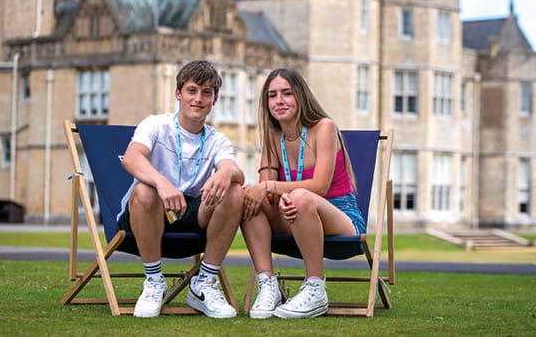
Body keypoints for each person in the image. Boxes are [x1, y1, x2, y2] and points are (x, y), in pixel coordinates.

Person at [118, 60, 244, 318]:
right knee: (145, 190)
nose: (198, 99)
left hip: (192, 215)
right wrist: (162, 183)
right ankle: (153, 282)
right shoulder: (156, 125)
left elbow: (237, 172)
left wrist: (226, 172)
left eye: (206, 93)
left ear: (214, 99)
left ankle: (204, 284)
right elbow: (132, 158)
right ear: (178, 93)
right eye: (192, 90)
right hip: (148, 213)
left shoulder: (217, 140)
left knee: (234, 191)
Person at [241, 67, 366, 319]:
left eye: (287, 93)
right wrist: (264, 189)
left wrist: (270, 187)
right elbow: (264, 194)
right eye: (272, 95)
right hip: (292, 214)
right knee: (247, 197)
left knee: (301, 196)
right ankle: (268, 285)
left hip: (340, 216)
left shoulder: (324, 127)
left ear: (300, 96)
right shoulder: (272, 136)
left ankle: (315, 288)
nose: (279, 101)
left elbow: (319, 186)